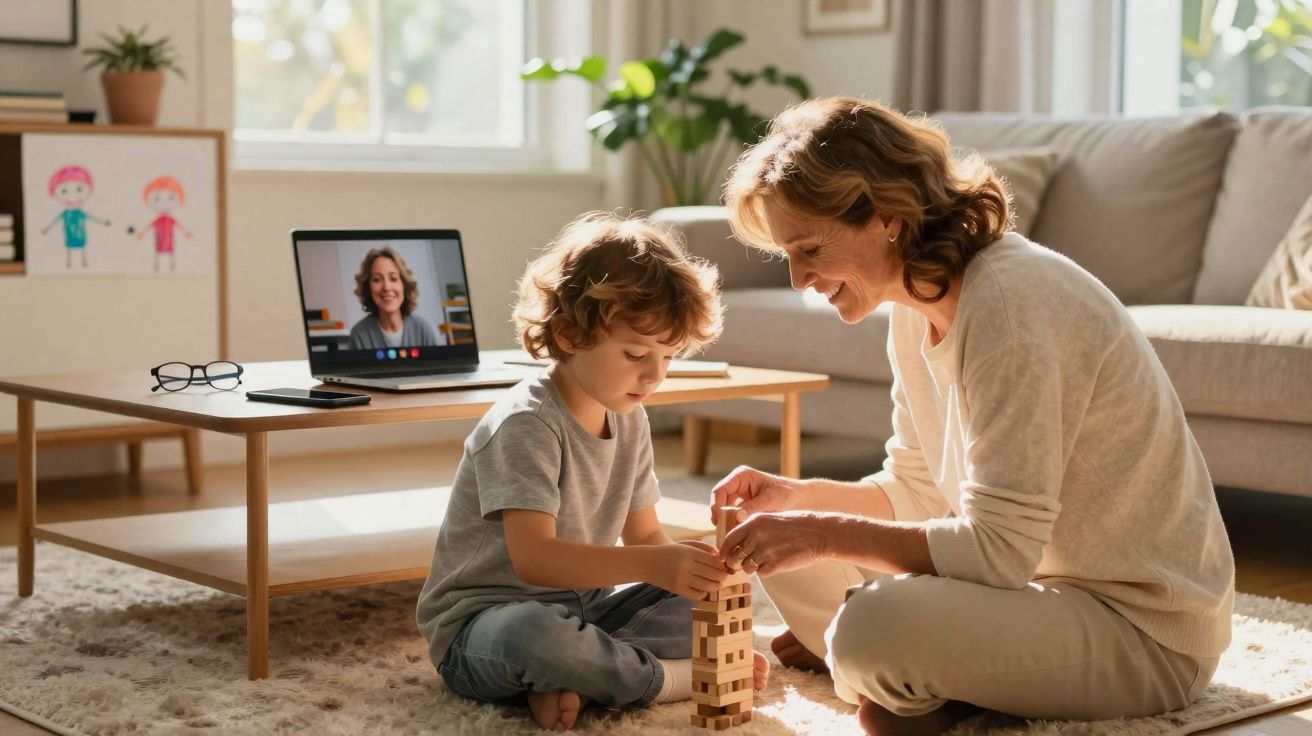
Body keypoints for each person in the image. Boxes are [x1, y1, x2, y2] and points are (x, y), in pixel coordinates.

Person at [707, 97, 1235, 736]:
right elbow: (918, 490)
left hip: (1141, 630)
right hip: (1031, 599)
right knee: (780, 532)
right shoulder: (913, 306)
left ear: (888, 218)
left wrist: (823, 534)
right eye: (788, 254)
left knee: (873, 625)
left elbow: (999, 552)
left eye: (810, 247)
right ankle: (908, 673)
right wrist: (798, 500)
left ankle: (883, 664)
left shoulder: (1013, 301)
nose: (798, 278)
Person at [416, 212, 768, 731]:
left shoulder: (630, 417)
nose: (654, 375)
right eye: (636, 353)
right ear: (570, 334)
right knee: (537, 639)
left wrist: (685, 568)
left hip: (587, 614)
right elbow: (535, 560)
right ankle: (676, 679)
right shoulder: (527, 424)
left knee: (707, 594)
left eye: (669, 357)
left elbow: (645, 534)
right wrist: (653, 564)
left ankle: (575, 678)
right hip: (483, 630)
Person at [347, 246, 442, 349]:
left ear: (404, 284)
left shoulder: (423, 330)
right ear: (368, 287)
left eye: (393, 278)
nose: (387, 287)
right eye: (377, 279)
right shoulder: (359, 335)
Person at [41, 165, 111, 269]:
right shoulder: (66, 213)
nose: (72, 196)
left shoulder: (80, 213)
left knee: (82, 247)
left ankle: (84, 261)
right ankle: (69, 262)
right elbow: (55, 221)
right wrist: (47, 228)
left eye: (79, 189)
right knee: (69, 247)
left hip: (80, 235)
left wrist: (104, 222)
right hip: (70, 234)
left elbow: (92, 218)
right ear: (54, 194)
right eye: (64, 191)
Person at [133, 175, 192, 272]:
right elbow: (149, 226)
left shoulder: (170, 219)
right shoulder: (158, 219)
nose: (164, 203)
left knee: (170, 250)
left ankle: (172, 264)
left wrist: (186, 233)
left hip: (168, 238)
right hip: (160, 237)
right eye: (157, 199)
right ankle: (157, 265)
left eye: (171, 198)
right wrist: (141, 234)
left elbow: (178, 225)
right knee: (158, 250)